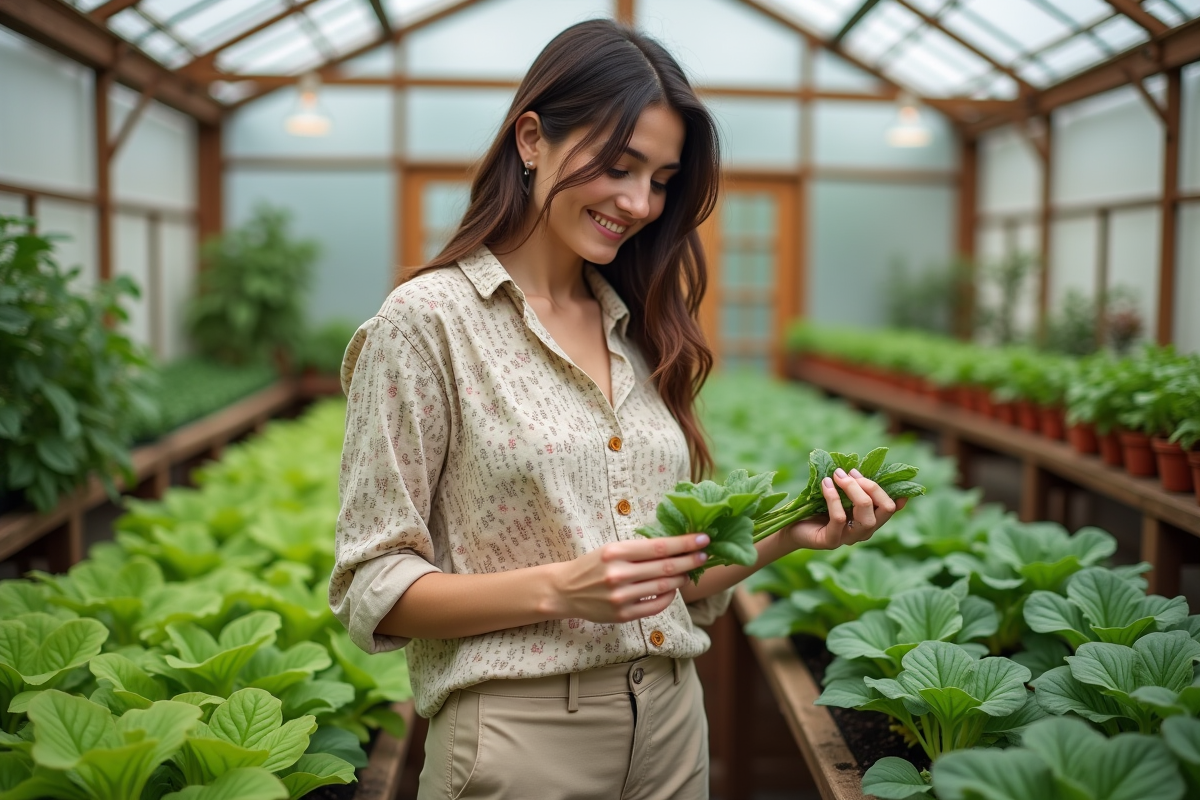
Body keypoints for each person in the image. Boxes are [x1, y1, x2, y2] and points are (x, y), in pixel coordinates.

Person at [330, 18, 905, 800]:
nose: (639, 202)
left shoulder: (638, 327)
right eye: (619, 165)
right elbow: (373, 582)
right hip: (519, 743)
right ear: (531, 139)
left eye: (662, 179)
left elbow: (662, 581)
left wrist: (787, 539)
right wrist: (559, 590)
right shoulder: (426, 323)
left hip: (672, 724)